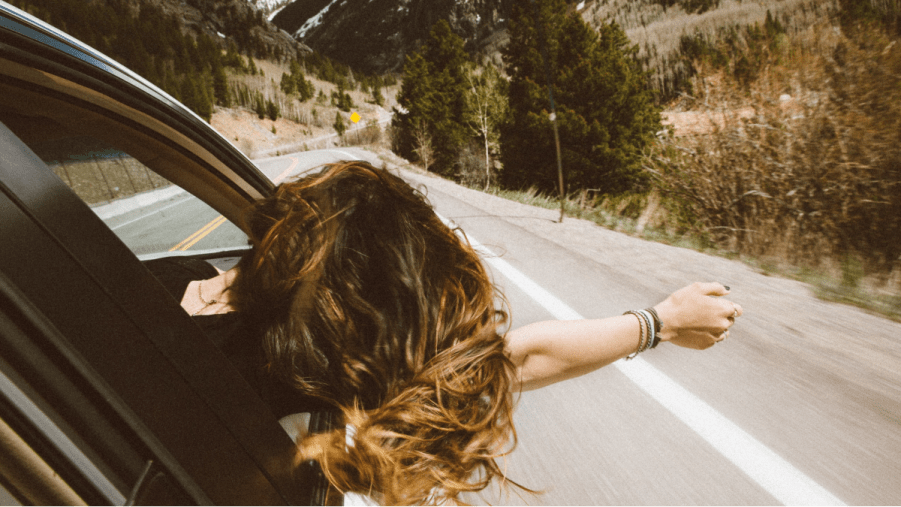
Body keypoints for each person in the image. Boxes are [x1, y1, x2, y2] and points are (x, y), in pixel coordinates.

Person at [147, 161, 742, 505]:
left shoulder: (152, 281)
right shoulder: (301, 370)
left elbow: (512, 358)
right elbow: (519, 356)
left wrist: (660, 323)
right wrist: (659, 323)